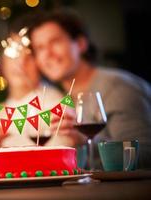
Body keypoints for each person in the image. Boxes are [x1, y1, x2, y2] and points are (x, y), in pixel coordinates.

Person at [28, 9, 151, 168]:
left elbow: (145, 155)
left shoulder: (118, 87)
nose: (47, 54)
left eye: (55, 42)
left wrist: (85, 140)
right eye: (40, 48)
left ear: (80, 44)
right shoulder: (65, 97)